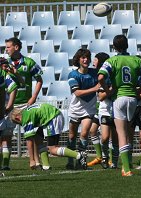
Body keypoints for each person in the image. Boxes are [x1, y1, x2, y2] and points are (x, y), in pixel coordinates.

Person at [98, 35, 141, 176]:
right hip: (133, 100)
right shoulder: (136, 59)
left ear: (114, 47)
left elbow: (100, 77)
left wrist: (108, 91)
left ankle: (127, 169)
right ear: (127, 45)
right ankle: (127, 165)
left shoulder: (111, 61)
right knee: (129, 134)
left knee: (122, 135)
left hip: (120, 98)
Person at [5, 37, 50, 170]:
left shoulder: (29, 62)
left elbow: (39, 80)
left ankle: (41, 162)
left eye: (8, 47)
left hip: (26, 104)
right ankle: (5, 165)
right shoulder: (5, 64)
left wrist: (34, 97)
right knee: (6, 135)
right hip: (10, 105)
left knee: (34, 134)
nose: (6, 50)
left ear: (16, 47)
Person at [9, 103, 87, 169]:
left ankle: (79, 155)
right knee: (37, 139)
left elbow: (29, 141)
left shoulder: (26, 118)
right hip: (51, 116)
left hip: (52, 118)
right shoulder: (27, 112)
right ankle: (46, 166)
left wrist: (31, 160)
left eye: (18, 123)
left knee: (53, 149)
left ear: (17, 117)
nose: (20, 125)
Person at [66, 48, 99, 170]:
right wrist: (95, 89)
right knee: (71, 136)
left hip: (89, 109)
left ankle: (81, 161)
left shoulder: (95, 73)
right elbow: (77, 93)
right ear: (78, 59)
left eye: (87, 57)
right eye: (83, 57)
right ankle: (70, 160)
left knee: (84, 133)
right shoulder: (73, 75)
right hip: (76, 108)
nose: (86, 60)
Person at [87, 52, 119, 169]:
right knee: (103, 136)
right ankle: (103, 157)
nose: (93, 62)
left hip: (115, 110)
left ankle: (113, 161)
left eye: (95, 60)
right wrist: (112, 89)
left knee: (114, 138)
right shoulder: (99, 76)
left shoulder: (108, 75)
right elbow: (101, 96)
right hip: (103, 110)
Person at [0, 58, 18, 170]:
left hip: (4, 109)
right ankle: (5, 165)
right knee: (6, 138)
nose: (6, 67)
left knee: (6, 137)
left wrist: (9, 105)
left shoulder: (5, 75)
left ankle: (5, 164)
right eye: (4, 65)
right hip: (4, 109)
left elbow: (14, 87)